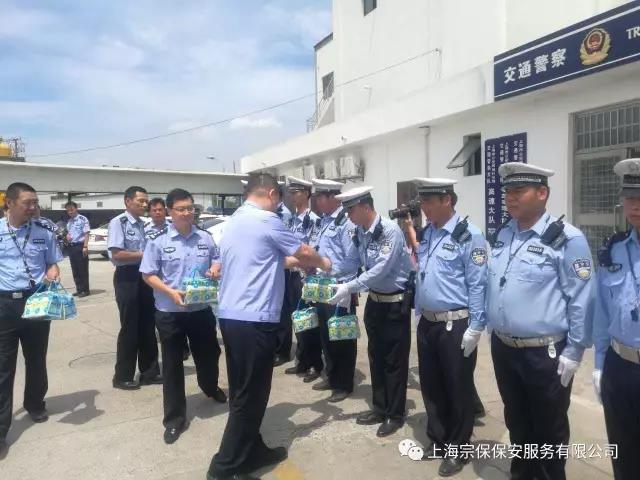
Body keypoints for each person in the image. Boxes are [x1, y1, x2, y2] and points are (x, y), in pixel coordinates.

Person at [207, 173, 331, 480]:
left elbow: (269, 259)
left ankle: (253, 452)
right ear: (273, 194)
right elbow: (303, 252)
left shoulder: (236, 220)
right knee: (250, 396)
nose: (280, 205)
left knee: (242, 390)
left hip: (233, 317)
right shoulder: (266, 220)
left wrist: (300, 262)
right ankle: (223, 468)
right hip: (254, 320)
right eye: (280, 199)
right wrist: (324, 263)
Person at [486, 162, 595, 480]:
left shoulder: (567, 239)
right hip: (504, 348)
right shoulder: (504, 233)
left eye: (519, 191)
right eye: (507, 191)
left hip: (544, 354)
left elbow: (581, 298)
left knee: (548, 429)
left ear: (542, 193)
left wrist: (574, 350)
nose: (510, 197)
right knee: (517, 422)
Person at [411, 178, 487, 477]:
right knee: (432, 386)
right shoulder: (429, 232)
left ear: (447, 200)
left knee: (458, 387)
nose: (424, 208)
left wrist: (476, 326)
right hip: (428, 322)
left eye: (429, 202)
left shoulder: (469, 235)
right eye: (422, 202)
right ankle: (439, 439)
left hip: (455, 324)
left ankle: (459, 447)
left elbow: (478, 283)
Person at [140, 189, 226, 445]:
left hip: (200, 310)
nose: (187, 213)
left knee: (209, 355)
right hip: (170, 312)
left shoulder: (206, 238)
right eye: (181, 209)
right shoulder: (158, 241)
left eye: (190, 208)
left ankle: (210, 386)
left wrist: (215, 269)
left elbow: (217, 259)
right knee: (172, 366)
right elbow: (148, 274)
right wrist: (170, 292)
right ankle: (174, 419)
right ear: (170, 211)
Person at [329, 186, 413, 437]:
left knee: (394, 362)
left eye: (351, 210)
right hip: (375, 303)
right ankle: (380, 407)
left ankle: (394, 415)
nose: (348, 216)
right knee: (376, 357)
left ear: (366, 207)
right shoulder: (360, 231)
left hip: (395, 304)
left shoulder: (389, 230)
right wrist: (326, 269)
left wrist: (350, 286)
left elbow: (380, 269)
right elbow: (352, 261)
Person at [0, 182, 63, 458]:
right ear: (10, 203)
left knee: (36, 358)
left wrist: (53, 271)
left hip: (37, 301)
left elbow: (52, 262)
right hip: (4, 305)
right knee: (3, 367)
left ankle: (35, 404)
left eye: (35, 202)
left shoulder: (43, 232)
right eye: (28, 202)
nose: (33, 207)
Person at [593, 157, 640, 480]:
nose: (635, 205)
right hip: (620, 366)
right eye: (629, 197)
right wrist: (599, 364)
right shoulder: (614, 250)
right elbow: (602, 312)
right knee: (624, 454)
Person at [309, 178, 360, 403]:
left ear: (332, 197)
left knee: (342, 337)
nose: (317, 202)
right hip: (323, 286)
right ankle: (332, 375)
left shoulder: (346, 222)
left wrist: (330, 270)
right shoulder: (325, 221)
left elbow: (352, 260)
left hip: (340, 287)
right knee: (326, 335)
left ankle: (343, 383)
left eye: (320, 197)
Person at [107, 186, 161, 390]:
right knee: (130, 326)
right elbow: (117, 254)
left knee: (148, 325)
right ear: (127, 201)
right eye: (141, 201)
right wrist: (146, 254)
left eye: (146, 201)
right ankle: (122, 376)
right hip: (127, 277)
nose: (145, 204)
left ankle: (149, 373)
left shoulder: (144, 223)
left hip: (145, 277)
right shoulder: (118, 222)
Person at [282, 177, 323, 383]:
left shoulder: (313, 220)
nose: (292, 196)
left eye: (296, 192)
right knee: (297, 319)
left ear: (306, 194)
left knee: (310, 321)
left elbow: (312, 250)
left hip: (306, 277)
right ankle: (303, 360)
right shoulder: (290, 220)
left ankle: (315, 363)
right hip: (291, 275)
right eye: (290, 192)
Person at [273, 181, 294, 366]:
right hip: (272, 267)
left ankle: (282, 350)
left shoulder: (283, 214)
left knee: (283, 310)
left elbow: (284, 243)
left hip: (283, 267)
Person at [64, 201, 91, 297]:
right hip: (71, 247)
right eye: (68, 210)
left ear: (76, 208)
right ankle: (79, 289)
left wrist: (85, 246)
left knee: (82, 269)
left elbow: (86, 233)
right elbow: (69, 233)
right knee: (75, 269)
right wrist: (67, 236)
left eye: (71, 209)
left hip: (80, 246)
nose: (70, 212)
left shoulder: (82, 219)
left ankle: (85, 290)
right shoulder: (69, 221)